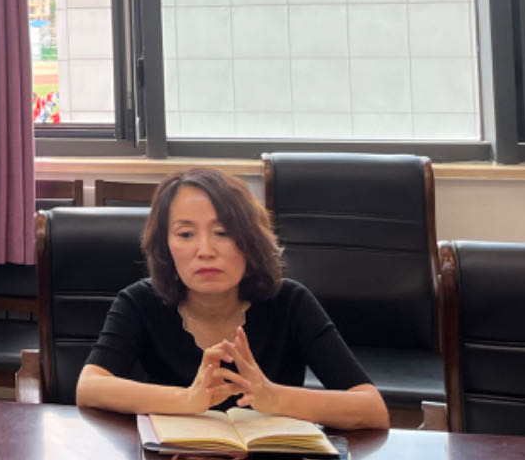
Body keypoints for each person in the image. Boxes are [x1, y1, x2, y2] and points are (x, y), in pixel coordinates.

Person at [75, 168, 388, 431]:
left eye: (223, 232)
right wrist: (188, 399)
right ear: (165, 246)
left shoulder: (291, 302)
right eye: (185, 234)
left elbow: (372, 408)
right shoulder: (140, 301)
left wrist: (272, 396)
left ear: (250, 240)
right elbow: (89, 387)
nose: (205, 250)